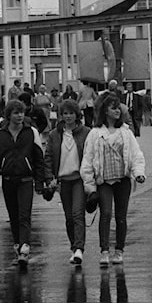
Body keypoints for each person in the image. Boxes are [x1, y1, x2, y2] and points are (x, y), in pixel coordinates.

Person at [80, 93, 146, 267]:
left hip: (122, 180)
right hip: (104, 182)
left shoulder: (125, 132)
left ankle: (119, 250)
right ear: (105, 111)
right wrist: (90, 186)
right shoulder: (95, 134)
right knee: (106, 213)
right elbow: (88, 160)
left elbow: (136, 154)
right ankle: (104, 250)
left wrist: (138, 172)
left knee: (121, 216)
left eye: (118, 108)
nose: (117, 111)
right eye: (113, 108)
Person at [0, 99, 49, 266]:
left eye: (21, 112)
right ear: (9, 115)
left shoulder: (31, 132)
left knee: (24, 214)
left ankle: (24, 247)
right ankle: (18, 244)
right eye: (16, 113)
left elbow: (38, 158)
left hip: (26, 179)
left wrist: (39, 182)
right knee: (13, 216)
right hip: (8, 180)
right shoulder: (0, 134)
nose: (20, 116)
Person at [45, 100, 90, 266]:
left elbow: (91, 156)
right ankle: (73, 246)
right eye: (65, 113)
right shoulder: (54, 135)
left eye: (71, 113)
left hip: (79, 179)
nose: (68, 116)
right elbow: (48, 157)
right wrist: (49, 178)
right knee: (69, 217)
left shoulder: (86, 133)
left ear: (77, 114)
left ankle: (79, 248)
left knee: (78, 213)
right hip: (63, 181)